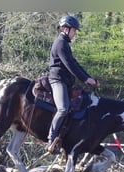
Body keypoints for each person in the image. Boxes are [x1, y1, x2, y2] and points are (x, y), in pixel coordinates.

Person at [46, 15, 99, 154]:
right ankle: (51, 138)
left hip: (66, 81)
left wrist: (88, 77)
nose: (75, 33)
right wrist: (86, 80)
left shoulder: (65, 44)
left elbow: (75, 63)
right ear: (65, 29)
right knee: (63, 109)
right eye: (74, 30)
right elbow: (70, 66)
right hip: (57, 80)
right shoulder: (60, 43)